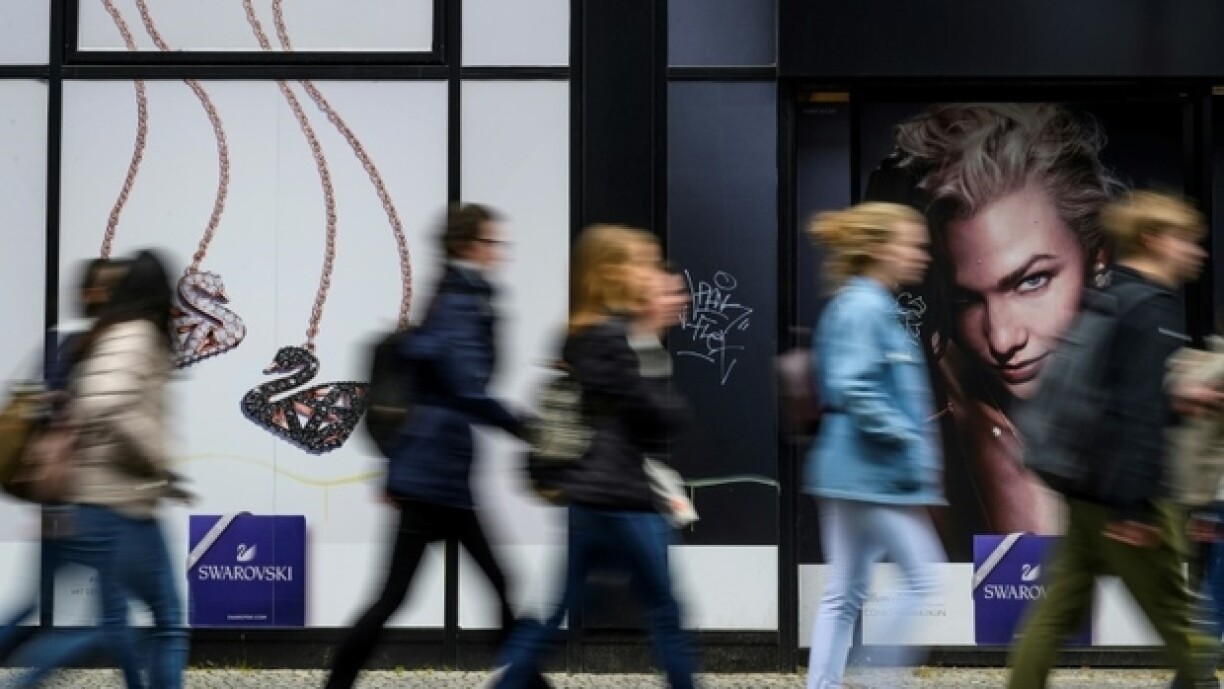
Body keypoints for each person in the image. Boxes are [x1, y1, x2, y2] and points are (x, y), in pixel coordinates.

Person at [872, 103, 1124, 542]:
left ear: (1097, 257)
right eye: (966, 299)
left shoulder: (1144, 395)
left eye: (1031, 281)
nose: (1003, 339)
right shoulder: (937, 419)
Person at [325, 204, 549, 689]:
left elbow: (449, 384)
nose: (499, 252)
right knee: (408, 593)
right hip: (434, 477)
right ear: (469, 245)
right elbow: (465, 387)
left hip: (437, 474)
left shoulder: (459, 296)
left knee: (441, 589)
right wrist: (524, 427)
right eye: (492, 243)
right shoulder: (459, 302)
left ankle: (525, 682)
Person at [1006, 191, 1218, 689]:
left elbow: (1110, 390)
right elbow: (1135, 411)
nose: (1197, 252)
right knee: (1179, 621)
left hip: (1085, 485)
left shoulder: (1111, 293)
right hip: (1127, 495)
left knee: (1057, 611)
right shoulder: (1153, 307)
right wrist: (1135, 508)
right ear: (1153, 239)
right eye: (1187, 240)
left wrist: (1179, 399)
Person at [492, 225, 696, 689]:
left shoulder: (585, 334)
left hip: (589, 497)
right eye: (642, 264)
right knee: (665, 612)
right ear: (611, 272)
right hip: (621, 497)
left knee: (559, 611)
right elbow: (658, 414)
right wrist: (650, 349)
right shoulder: (611, 337)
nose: (650, 274)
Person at [9, 249, 191, 689]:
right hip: (116, 503)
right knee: (157, 622)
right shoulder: (137, 335)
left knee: (120, 619)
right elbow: (103, 402)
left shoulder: (108, 334)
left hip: (97, 500)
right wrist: (154, 458)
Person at [804, 202, 946, 689]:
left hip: (850, 469)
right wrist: (906, 435)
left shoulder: (864, 304)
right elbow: (854, 386)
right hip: (870, 472)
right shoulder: (866, 308)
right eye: (913, 245)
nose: (923, 255)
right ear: (881, 249)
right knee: (924, 576)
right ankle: (876, 678)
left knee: (844, 593)